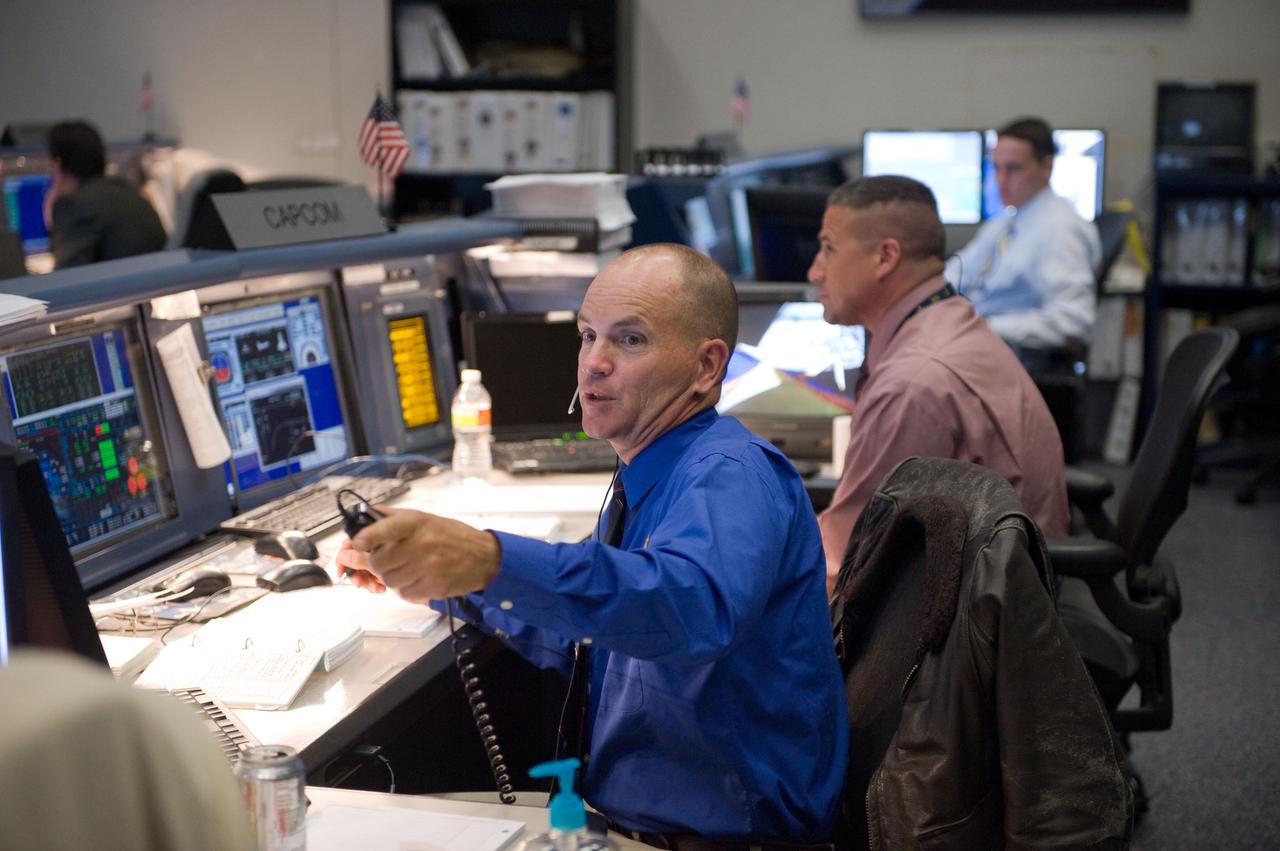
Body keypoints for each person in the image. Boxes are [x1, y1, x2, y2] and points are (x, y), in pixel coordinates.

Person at [337, 243, 848, 846]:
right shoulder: (651, 473)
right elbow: (598, 640)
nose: (593, 364)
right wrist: (452, 581)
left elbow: (690, 608)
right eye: (588, 336)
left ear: (707, 366)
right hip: (642, 820)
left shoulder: (728, 474)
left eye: (630, 340)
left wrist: (488, 558)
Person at [808, 175, 1069, 593]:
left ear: (885, 257)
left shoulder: (913, 384)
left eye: (829, 248)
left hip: (979, 607)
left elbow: (846, 565)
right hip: (1005, 580)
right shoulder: (949, 320)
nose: (815, 271)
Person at [949, 117, 1101, 357]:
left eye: (1013, 169)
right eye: (996, 168)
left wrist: (982, 327)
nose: (1000, 180)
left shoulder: (1060, 230)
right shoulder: (1007, 221)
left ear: (1046, 167)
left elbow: (1073, 320)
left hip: (1009, 354)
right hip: (979, 336)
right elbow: (962, 270)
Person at [43, 120, 167, 269]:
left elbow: (66, 274)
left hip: (119, 282)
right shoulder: (130, 192)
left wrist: (50, 218)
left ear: (57, 164)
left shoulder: (73, 204)